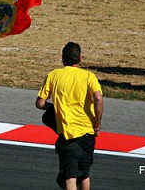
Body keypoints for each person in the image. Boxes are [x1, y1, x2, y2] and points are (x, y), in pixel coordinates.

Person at [36, 42, 103, 190]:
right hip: (88, 133)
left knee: (70, 176)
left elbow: (40, 104)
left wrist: (54, 107)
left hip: (68, 135)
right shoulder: (89, 76)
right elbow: (98, 98)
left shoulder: (54, 75)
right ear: (80, 59)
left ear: (62, 59)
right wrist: (97, 125)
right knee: (85, 173)